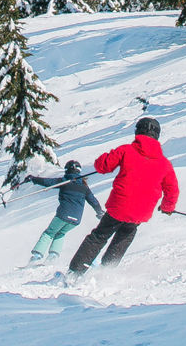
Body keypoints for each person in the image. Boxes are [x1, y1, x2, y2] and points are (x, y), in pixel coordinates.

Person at [66, 117, 179, 277]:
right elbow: (172, 190)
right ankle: (106, 272)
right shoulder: (165, 163)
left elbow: (102, 166)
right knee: (125, 236)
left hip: (119, 206)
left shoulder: (126, 150)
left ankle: (75, 272)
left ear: (138, 132)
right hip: (141, 212)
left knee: (99, 236)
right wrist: (167, 207)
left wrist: (107, 156)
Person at [20, 161, 105, 264]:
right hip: (76, 220)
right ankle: (53, 256)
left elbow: (47, 182)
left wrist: (33, 179)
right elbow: (93, 201)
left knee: (49, 233)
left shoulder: (64, 181)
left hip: (63, 215)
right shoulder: (84, 187)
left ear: (67, 170)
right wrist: (99, 212)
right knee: (60, 233)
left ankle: (36, 256)